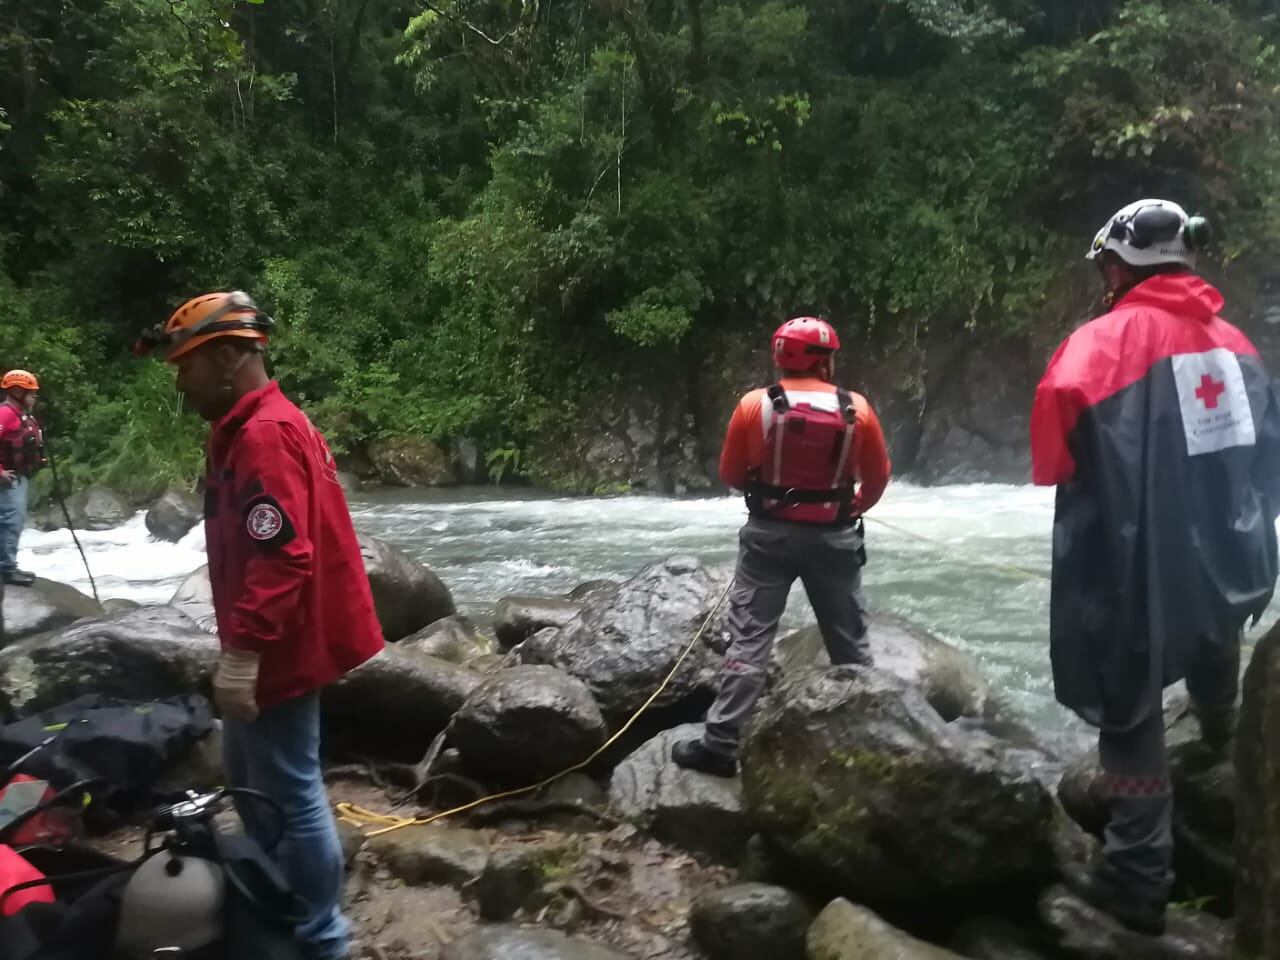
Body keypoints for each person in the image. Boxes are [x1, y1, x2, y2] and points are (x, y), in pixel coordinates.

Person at [1031, 199, 1280, 936]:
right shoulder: (1237, 344)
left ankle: (1138, 876)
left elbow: (1054, 457)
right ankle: (1220, 725)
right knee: (1215, 629)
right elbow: (1267, 454)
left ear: (1117, 268)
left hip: (1135, 558)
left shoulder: (1093, 347)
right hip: (1231, 552)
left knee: (1130, 696)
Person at [136, 291, 384, 960]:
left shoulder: (265, 435)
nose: (181, 384)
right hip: (276, 633)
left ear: (225, 359)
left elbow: (282, 557)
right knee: (253, 779)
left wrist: (243, 656)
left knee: (291, 793)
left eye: (186, 367)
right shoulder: (253, 425)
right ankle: (278, 907)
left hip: (283, 642)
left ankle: (320, 937)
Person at [673, 317, 892, 777]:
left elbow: (731, 475)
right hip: (834, 538)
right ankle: (873, 745)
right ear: (823, 361)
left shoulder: (754, 406)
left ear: (780, 358)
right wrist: (854, 505)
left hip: (768, 539)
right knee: (851, 647)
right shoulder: (857, 409)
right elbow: (877, 478)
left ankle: (720, 744)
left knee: (750, 641)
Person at [0, 370, 44, 587]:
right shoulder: (5, 414)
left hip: (18, 476)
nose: (34, 397)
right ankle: (7, 569)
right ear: (17, 392)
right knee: (11, 520)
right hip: (7, 479)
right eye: (31, 393)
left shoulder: (21, 414)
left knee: (13, 520)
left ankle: (7, 566)